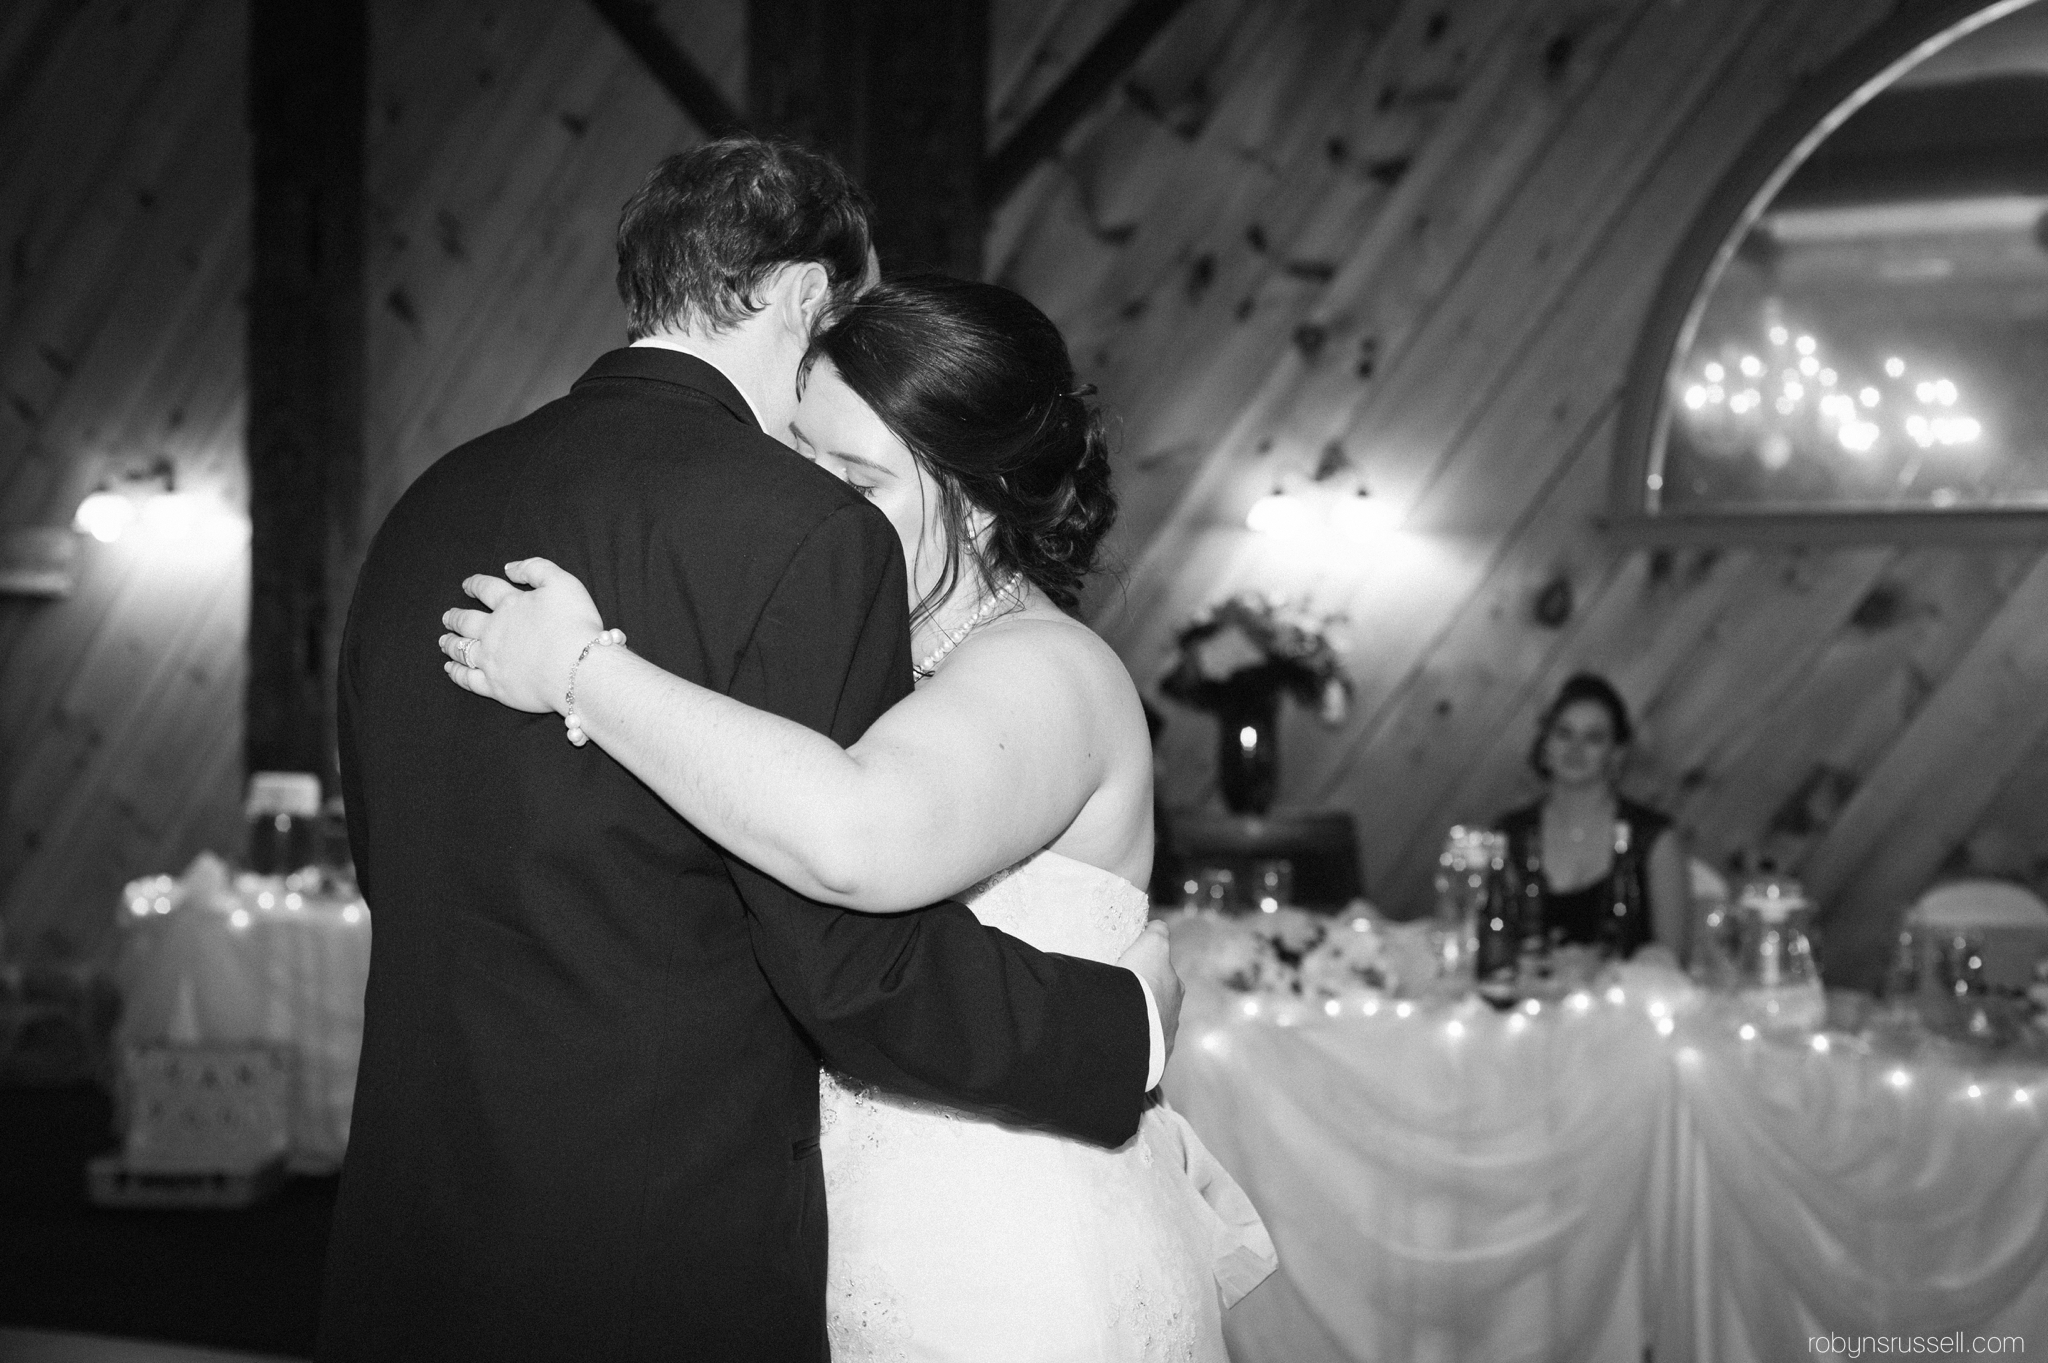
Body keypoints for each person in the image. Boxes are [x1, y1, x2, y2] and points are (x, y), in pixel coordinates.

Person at [319, 138, 1187, 1363]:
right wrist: (1118, 1029)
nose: (817, 476)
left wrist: (582, 669)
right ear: (793, 294)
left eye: (855, 468)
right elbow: (846, 960)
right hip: (668, 1226)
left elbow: (394, 854)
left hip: (433, 1204)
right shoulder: (795, 536)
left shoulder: (431, 505)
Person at [1495, 673, 1688, 960]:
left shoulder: (1655, 839)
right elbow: (1489, 947)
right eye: (1564, 734)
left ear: (1616, 755)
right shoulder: (1510, 834)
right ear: (1545, 746)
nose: (1575, 749)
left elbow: (1673, 965)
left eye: (1593, 738)